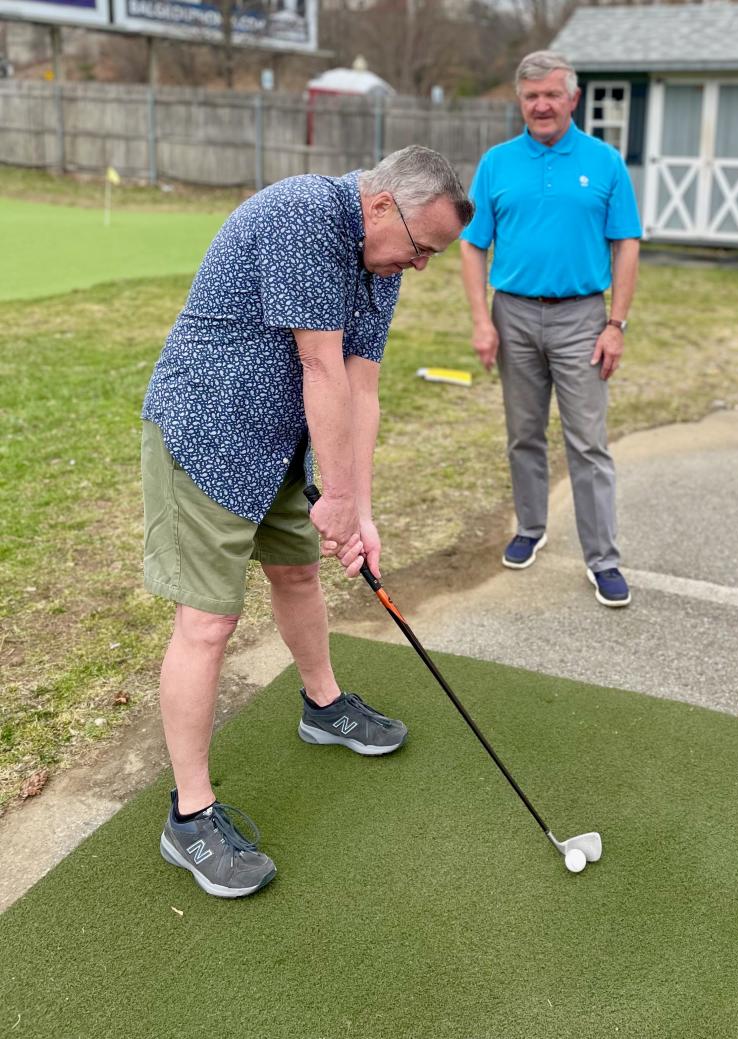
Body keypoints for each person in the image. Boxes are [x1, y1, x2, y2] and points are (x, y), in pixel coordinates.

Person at [141, 146, 474, 898]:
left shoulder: (381, 260)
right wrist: (335, 497)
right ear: (383, 205)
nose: (422, 266)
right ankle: (189, 817)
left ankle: (323, 706)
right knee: (208, 622)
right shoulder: (303, 215)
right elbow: (319, 367)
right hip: (207, 429)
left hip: (284, 441)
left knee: (297, 572)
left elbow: (361, 388)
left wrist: (359, 505)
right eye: (423, 248)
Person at [460, 50, 641, 608]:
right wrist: (480, 319)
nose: (542, 105)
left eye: (552, 94)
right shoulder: (496, 163)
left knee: (587, 442)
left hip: (583, 317)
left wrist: (616, 323)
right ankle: (530, 528)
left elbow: (627, 244)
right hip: (512, 313)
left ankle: (603, 560)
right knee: (524, 433)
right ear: (521, 101)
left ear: (573, 99)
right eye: (531, 96)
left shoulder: (605, 162)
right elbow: (472, 244)